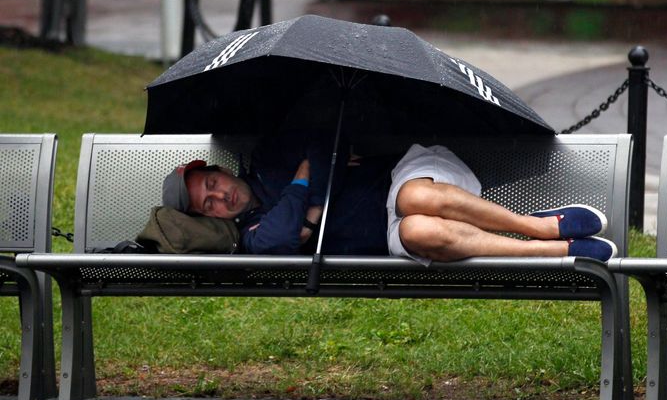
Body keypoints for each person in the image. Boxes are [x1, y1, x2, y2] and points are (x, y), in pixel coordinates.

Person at [162, 131, 618, 263]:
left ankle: (541, 226)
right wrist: (312, 184)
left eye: (213, 185)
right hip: (397, 237)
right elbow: (275, 241)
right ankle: (554, 251)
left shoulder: (270, 153)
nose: (222, 198)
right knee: (416, 224)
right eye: (210, 205)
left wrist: (309, 205)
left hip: (411, 174)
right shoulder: (248, 233)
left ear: (218, 170)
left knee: (414, 198)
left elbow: (327, 147)